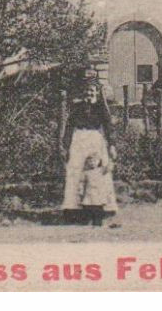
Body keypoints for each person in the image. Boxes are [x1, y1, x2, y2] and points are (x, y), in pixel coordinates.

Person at [61, 76, 117, 225]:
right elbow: (69, 127)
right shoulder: (77, 108)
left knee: (97, 174)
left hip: (95, 140)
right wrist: (65, 146)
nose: (89, 94)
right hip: (79, 140)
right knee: (76, 172)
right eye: (86, 91)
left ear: (97, 92)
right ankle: (74, 208)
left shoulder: (101, 108)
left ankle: (100, 207)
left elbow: (108, 126)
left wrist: (111, 145)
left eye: (92, 91)